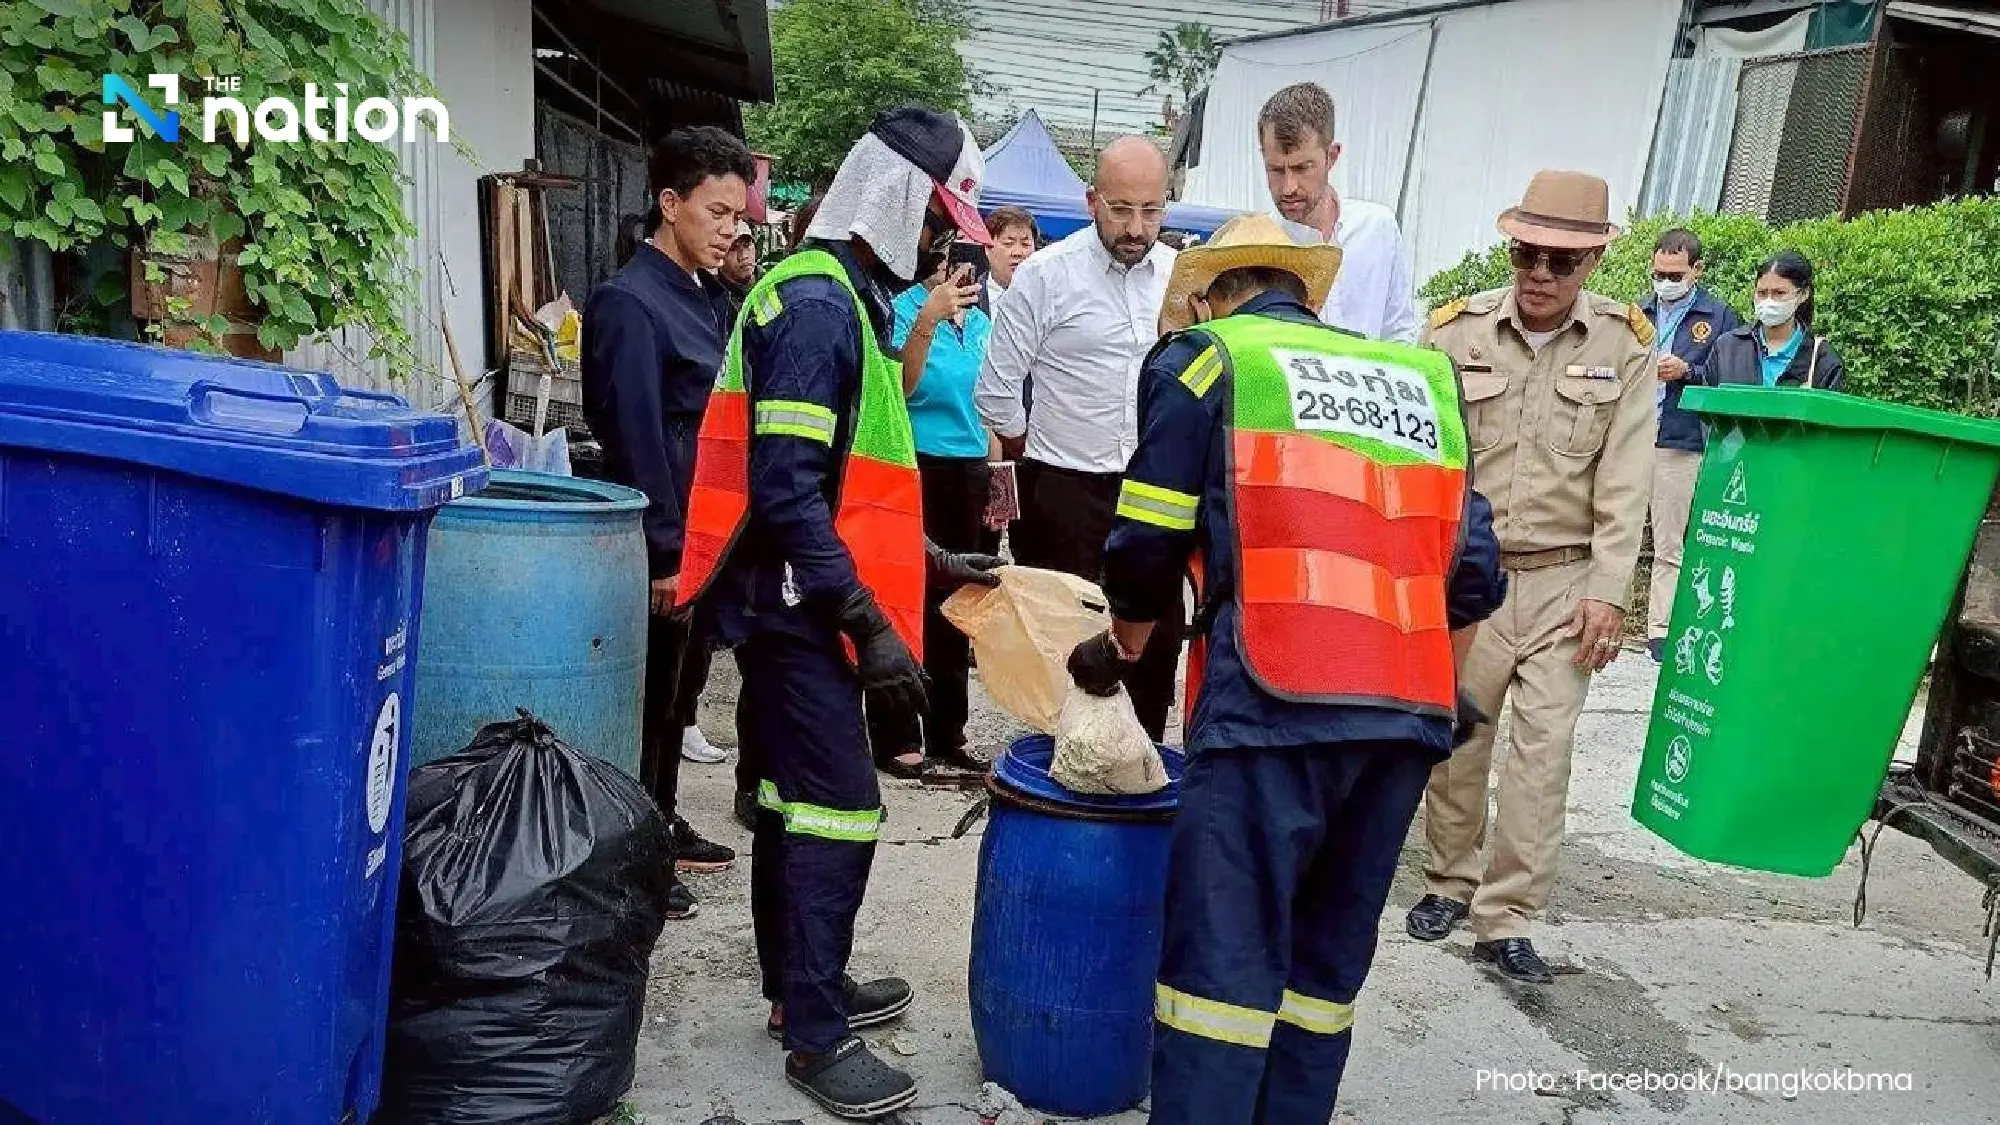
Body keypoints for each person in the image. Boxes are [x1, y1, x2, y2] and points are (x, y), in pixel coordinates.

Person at [1067, 214, 1504, 1124]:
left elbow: (1146, 539)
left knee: (1221, 974)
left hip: (1275, 697)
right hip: (1403, 717)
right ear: (1306, 291)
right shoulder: (1422, 375)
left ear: (1206, 293)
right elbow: (1473, 572)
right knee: (1323, 971)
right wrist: (1436, 683)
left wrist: (1123, 647)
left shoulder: (1205, 360)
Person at [673, 106, 1002, 1119]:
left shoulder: (844, 296)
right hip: (800, 612)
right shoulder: (818, 305)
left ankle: (797, 993)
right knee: (839, 811)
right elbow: (785, 490)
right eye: (939, 219)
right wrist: (866, 625)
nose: (945, 246)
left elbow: (856, 485)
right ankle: (814, 1036)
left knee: (786, 806)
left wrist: (941, 563)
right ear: (899, 199)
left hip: (797, 602)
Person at [1407, 171, 1657, 985]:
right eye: (1527, 253)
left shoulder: (1626, 346)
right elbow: (1419, 461)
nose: (1541, 273)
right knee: (1461, 741)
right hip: (1470, 578)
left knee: (1543, 752)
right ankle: (1449, 878)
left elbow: (1626, 479)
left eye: (1561, 259)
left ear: (1591, 262)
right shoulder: (1454, 335)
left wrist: (1609, 591)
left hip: (1565, 579)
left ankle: (1506, 915)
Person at [579, 125, 750, 921]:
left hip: (706, 533)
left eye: (738, 216)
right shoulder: (628, 301)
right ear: (669, 203)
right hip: (662, 535)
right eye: (717, 212)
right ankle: (637, 851)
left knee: (681, 694)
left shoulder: (704, 296)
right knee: (650, 701)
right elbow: (637, 437)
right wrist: (663, 552)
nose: (730, 229)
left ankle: (666, 818)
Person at [975, 136, 1183, 740]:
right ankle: (1061, 781)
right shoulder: (1044, 276)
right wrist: (1029, 453)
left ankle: (1135, 780)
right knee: (1065, 646)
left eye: (1150, 210)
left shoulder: (1180, 280)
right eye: (1121, 209)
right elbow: (995, 390)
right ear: (1092, 201)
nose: (1136, 226)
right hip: (1062, 493)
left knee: (1152, 643)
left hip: (1153, 494)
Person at [867, 254, 994, 778]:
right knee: (905, 598)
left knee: (957, 601)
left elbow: (989, 400)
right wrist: (928, 321)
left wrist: (997, 476)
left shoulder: (984, 320)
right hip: (915, 464)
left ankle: (948, 729)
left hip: (969, 468)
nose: (958, 270)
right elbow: (903, 389)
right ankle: (897, 731)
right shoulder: (902, 309)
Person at [1641, 229, 1742, 662]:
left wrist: (1687, 370)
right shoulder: (1638, 312)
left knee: (1668, 541)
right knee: (1613, 532)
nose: (1665, 282)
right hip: (1633, 434)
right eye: (1659, 273)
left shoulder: (1719, 317)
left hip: (1680, 440)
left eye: (1675, 274)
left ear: (1696, 270)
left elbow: (1730, 382)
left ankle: (1660, 629)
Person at [1257, 81, 1419, 343]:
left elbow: (1399, 333)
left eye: (1302, 168)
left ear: (1332, 157)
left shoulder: (1378, 228)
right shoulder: (1255, 248)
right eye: (1275, 170)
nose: (1288, 187)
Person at [1708, 251, 1846, 392]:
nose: (1768, 301)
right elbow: (1706, 407)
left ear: (1803, 294)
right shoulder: (1727, 348)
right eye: (1762, 293)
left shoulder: (1822, 360)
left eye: (1779, 293)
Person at [984, 204, 1038, 306]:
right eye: (1008, 244)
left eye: (1025, 244)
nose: (1017, 253)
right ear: (987, 247)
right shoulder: (967, 297)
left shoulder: (1047, 298)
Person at [716, 219, 759, 310]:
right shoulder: (712, 298)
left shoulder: (773, 283)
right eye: (733, 248)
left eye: (747, 246)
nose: (743, 256)